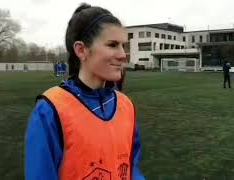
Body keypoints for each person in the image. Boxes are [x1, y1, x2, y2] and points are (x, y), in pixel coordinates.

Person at [25, 3, 145, 180]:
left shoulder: (126, 106)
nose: (122, 55)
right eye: (112, 45)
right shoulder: (50, 110)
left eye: (123, 46)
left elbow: (131, 170)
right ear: (81, 50)